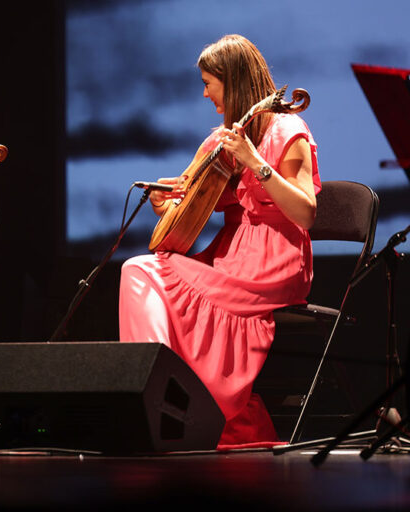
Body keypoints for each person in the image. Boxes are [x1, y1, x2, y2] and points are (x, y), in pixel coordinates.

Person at [118, 35, 320, 446]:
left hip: (275, 261)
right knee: (139, 269)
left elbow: (305, 212)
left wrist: (255, 162)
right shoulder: (221, 140)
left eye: (209, 83)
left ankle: (164, 391)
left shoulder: (289, 130)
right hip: (230, 254)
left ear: (234, 81)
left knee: (142, 271)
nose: (205, 93)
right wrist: (164, 202)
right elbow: (186, 203)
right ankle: (158, 390)